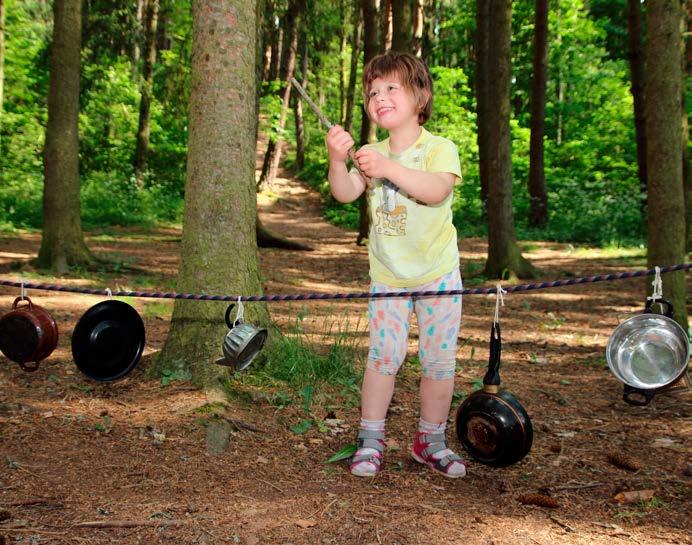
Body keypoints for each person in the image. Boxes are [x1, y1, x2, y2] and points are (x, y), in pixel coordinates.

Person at [325, 51, 466, 478]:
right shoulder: (371, 153)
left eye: (391, 88)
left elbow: (436, 191)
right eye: (372, 92)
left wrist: (387, 168)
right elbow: (346, 192)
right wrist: (337, 160)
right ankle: (370, 440)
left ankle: (431, 440)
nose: (379, 97)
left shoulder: (439, 149)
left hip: (439, 275)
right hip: (388, 277)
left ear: (420, 95)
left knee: (438, 362)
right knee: (384, 357)